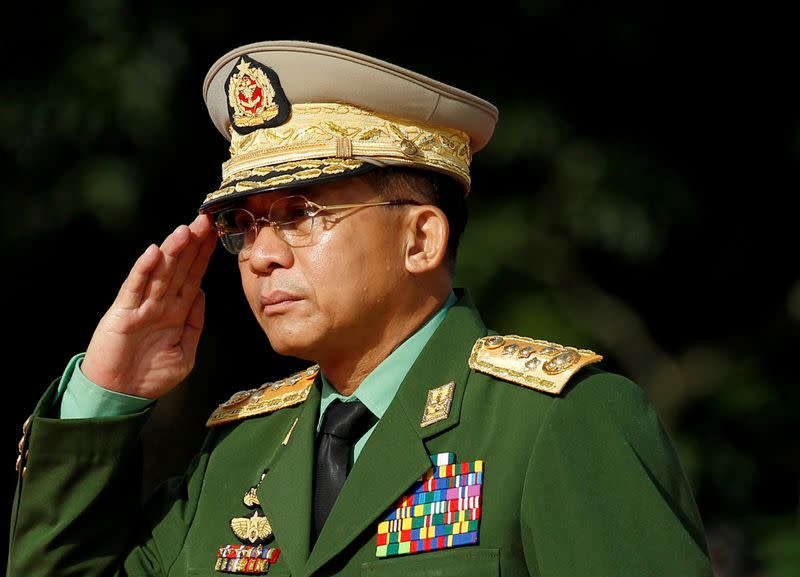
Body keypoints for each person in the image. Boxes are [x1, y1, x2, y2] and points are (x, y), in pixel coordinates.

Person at [7, 40, 714, 577]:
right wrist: (104, 398)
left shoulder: (555, 421)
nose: (260, 255)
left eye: (300, 213)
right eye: (245, 226)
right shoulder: (236, 451)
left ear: (420, 237)